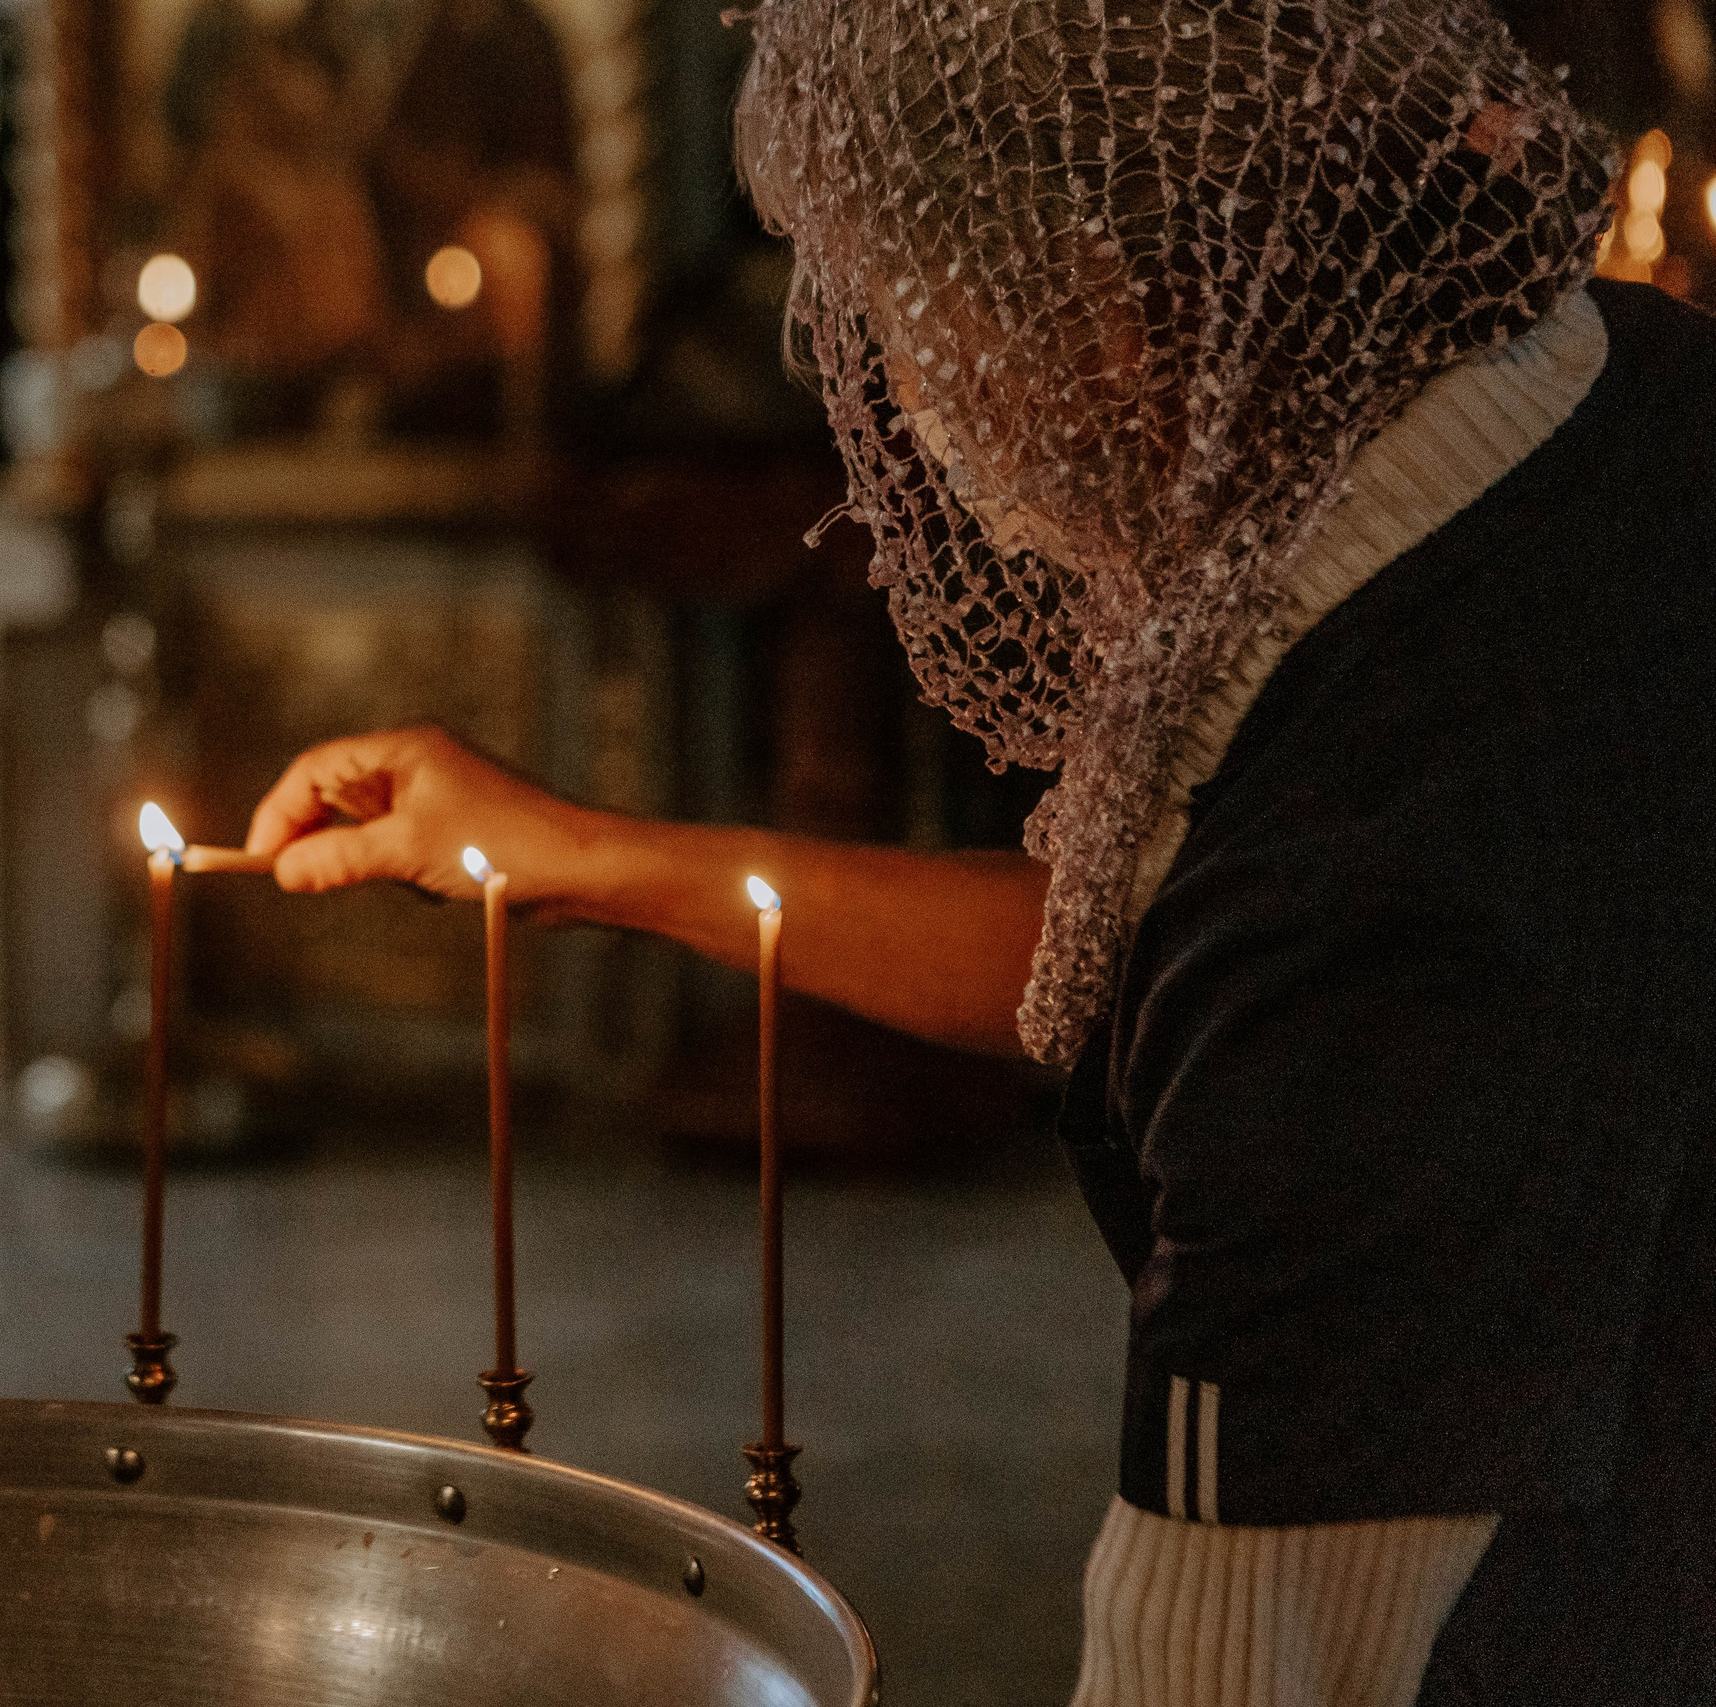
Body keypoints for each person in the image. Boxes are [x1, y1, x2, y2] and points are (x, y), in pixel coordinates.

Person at [232, 1, 1716, 1702]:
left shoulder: (1367, 925)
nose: (914, 412)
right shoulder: (1609, 398)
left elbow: (1219, 1666)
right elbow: (1145, 952)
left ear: (1087, 304)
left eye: (900, 315)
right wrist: (582, 856)